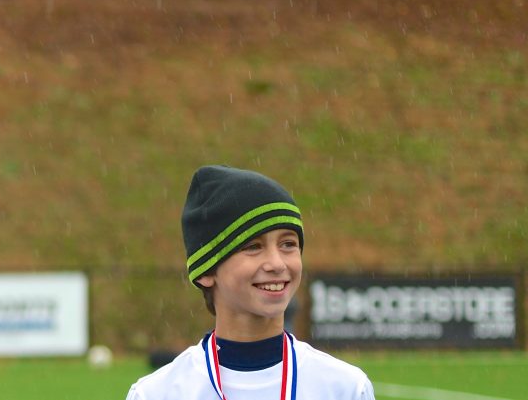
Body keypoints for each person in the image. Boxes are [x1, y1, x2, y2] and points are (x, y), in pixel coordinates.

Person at [126, 166, 375, 400]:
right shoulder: (157, 393)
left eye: (288, 244)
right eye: (253, 247)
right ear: (206, 270)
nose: (277, 263)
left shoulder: (346, 388)